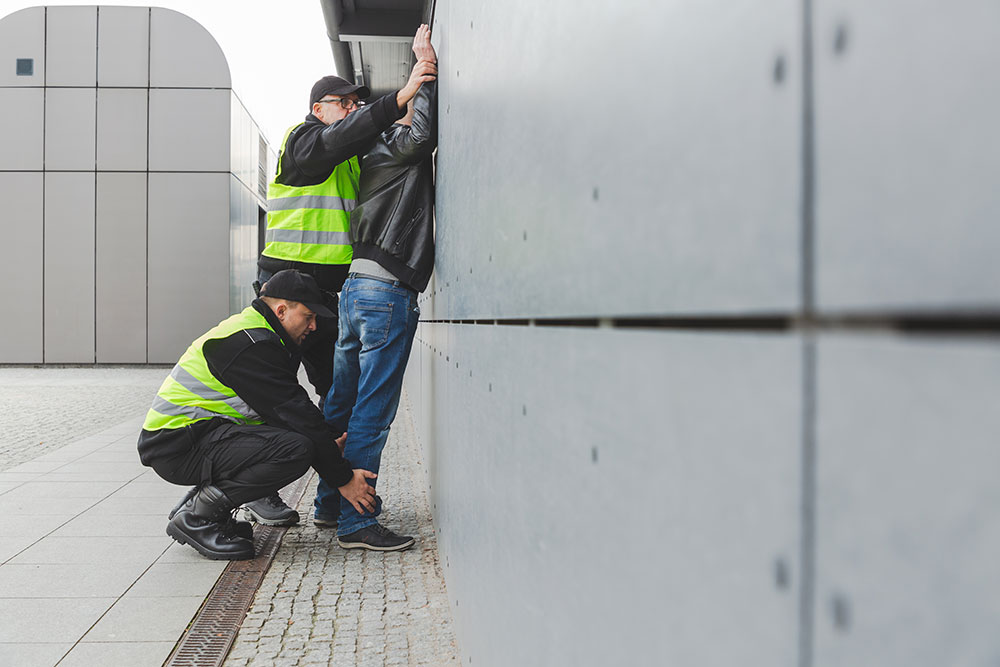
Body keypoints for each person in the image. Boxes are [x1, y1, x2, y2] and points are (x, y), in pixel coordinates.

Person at [245, 33, 438, 526]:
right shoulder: (303, 140)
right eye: (343, 102)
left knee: (337, 400)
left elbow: (376, 153)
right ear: (317, 108)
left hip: (334, 297)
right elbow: (335, 140)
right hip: (283, 295)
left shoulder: (352, 157)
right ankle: (255, 487)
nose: (352, 109)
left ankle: (337, 499)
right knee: (274, 395)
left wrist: (391, 117)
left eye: (357, 101)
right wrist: (399, 97)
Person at [137, 270, 377, 560]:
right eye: (308, 316)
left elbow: (289, 411)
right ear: (281, 310)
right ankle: (196, 518)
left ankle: (205, 510)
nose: (313, 326)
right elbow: (297, 416)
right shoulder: (253, 344)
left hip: (191, 437)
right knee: (296, 450)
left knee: (299, 441)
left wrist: (328, 441)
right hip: (177, 446)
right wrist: (343, 479)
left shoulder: (259, 333)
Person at [311, 24, 438, 551]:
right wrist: (424, 73)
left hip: (357, 293)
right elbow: (420, 133)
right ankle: (358, 522)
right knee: (372, 408)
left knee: (342, 400)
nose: (399, 108)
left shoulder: (363, 155)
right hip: (385, 295)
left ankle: (327, 503)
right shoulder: (387, 147)